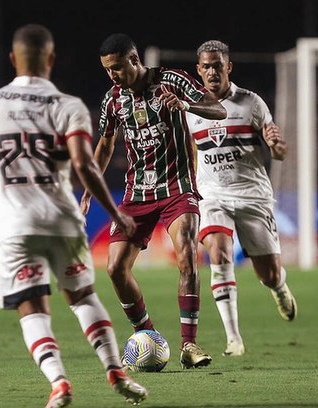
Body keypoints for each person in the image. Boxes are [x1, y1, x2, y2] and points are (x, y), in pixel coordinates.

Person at [0, 24, 147, 408]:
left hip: (15, 227)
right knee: (82, 297)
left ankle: (60, 383)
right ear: (51, 60)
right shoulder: (68, 105)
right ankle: (115, 370)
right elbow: (84, 164)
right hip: (62, 221)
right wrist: (116, 213)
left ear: (13, 60)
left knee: (32, 307)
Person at [80, 33, 227, 370]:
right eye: (107, 70)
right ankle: (147, 335)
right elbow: (104, 146)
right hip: (137, 194)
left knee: (187, 254)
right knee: (115, 267)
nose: (113, 76)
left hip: (178, 188)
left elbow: (216, 108)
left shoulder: (171, 81)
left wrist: (187, 106)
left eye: (117, 68)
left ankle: (189, 344)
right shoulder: (113, 100)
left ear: (134, 60)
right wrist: (89, 189)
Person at [186, 40, 298, 357]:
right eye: (206, 66)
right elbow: (187, 154)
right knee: (218, 254)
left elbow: (279, 152)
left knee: (269, 274)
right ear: (199, 70)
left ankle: (278, 287)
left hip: (252, 196)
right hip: (212, 196)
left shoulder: (251, 103)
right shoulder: (191, 110)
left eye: (217, 65)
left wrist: (277, 146)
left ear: (228, 67)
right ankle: (233, 338)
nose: (211, 71)